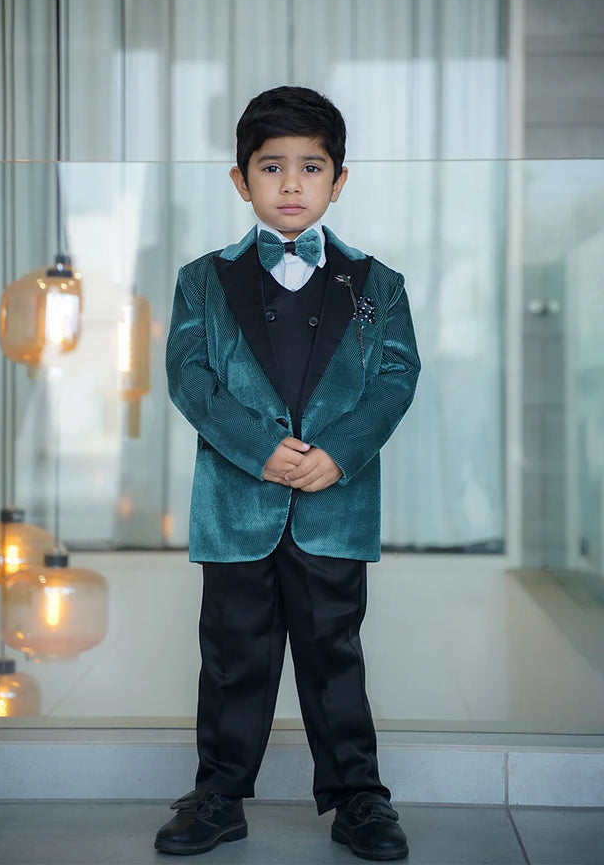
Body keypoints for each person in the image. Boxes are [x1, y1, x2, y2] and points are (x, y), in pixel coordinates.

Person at [157, 86, 420, 861]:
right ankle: (219, 794)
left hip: (333, 503)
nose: (293, 184)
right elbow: (190, 376)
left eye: (311, 167)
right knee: (234, 655)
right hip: (238, 503)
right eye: (273, 168)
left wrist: (339, 453)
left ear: (339, 180)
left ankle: (359, 798)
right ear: (242, 181)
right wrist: (257, 448)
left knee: (333, 653)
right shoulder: (202, 280)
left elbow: (396, 378)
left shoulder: (377, 284)